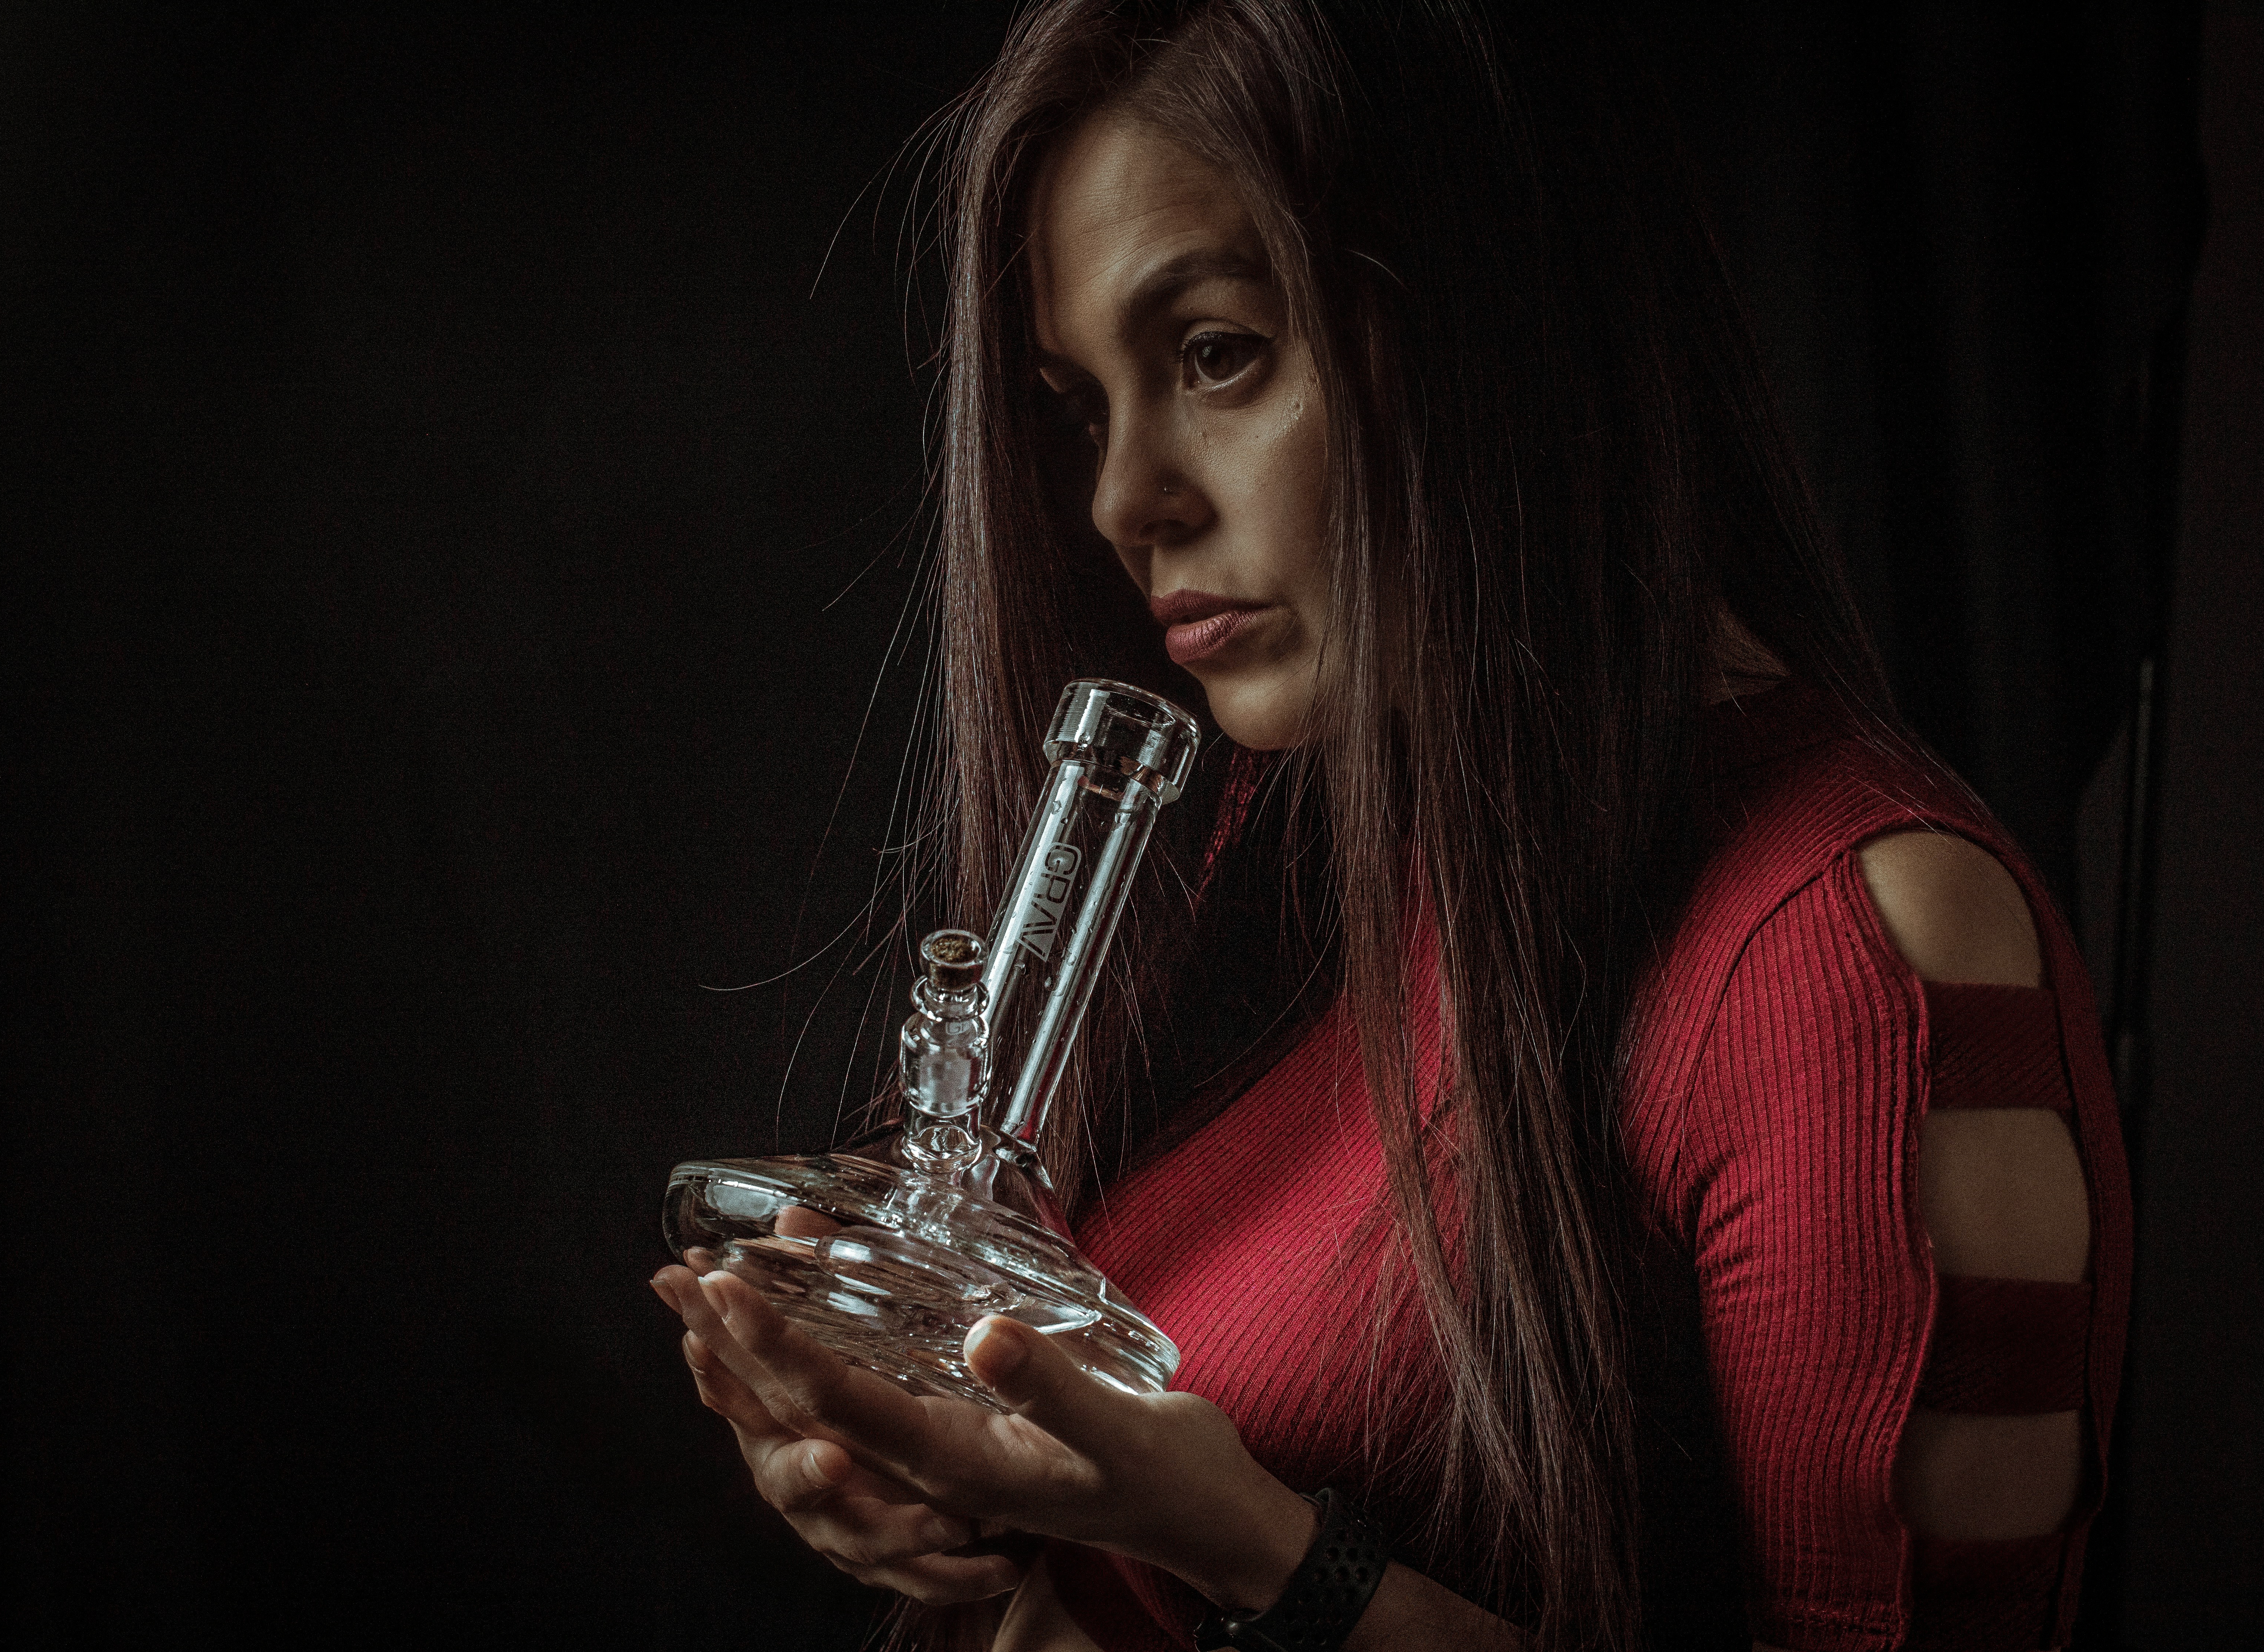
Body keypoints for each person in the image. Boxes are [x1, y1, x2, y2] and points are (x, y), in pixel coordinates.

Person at [649, 4, 2130, 1648]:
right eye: (1083, 404)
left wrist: (1280, 1566)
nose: (1122, 499)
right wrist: (945, 1488)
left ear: (1507, 318)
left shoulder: (1865, 964)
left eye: (1217, 354)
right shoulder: (1281, 845)